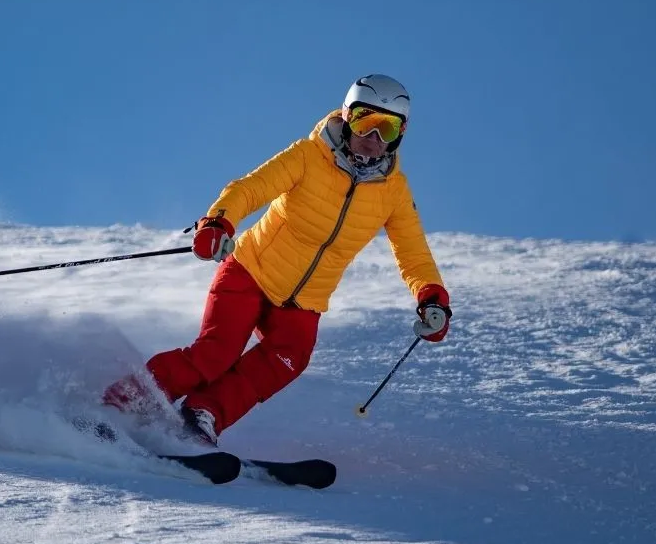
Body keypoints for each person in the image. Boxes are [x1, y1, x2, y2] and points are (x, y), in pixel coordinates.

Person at [103, 74, 452, 445]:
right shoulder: (309, 156)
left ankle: (202, 414)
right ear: (348, 117)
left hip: (304, 302)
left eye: (388, 127)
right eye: (366, 121)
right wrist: (218, 223)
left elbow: (412, 250)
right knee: (216, 353)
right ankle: (122, 403)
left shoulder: (394, 192)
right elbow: (250, 188)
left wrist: (432, 297)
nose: (374, 137)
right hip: (251, 272)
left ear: (401, 133)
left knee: (288, 359)